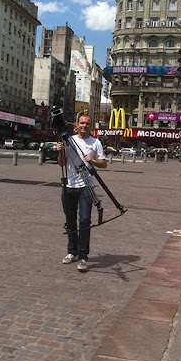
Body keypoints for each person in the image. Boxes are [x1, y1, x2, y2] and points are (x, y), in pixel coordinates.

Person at [56, 114, 107, 272]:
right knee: (70, 220)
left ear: (90, 126)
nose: (84, 125)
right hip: (69, 186)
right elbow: (61, 163)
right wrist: (60, 151)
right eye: (82, 123)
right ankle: (72, 252)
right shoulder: (69, 141)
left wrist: (92, 161)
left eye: (87, 123)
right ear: (77, 124)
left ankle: (83, 256)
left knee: (84, 220)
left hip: (87, 186)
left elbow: (103, 164)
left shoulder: (95, 142)